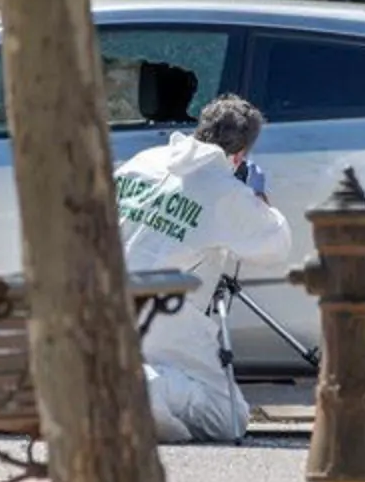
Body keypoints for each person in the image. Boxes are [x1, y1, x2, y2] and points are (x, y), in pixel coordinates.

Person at [114, 94, 292, 443]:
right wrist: (256, 196)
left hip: (95, 303)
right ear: (240, 155)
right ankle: (140, 384)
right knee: (228, 419)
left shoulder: (144, 160)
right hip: (162, 315)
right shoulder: (225, 192)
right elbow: (277, 246)